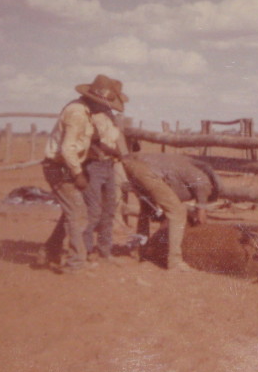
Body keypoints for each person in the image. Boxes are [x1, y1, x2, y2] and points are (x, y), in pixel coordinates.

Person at [40, 74, 126, 273]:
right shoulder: (77, 113)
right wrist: (78, 174)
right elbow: (68, 148)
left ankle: (49, 251)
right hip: (59, 167)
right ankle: (76, 263)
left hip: (69, 166)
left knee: (73, 212)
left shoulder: (87, 112)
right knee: (79, 213)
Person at [82, 80, 129, 263]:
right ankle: (84, 251)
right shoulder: (88, 115)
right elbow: (94, 142)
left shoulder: (109, 115)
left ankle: (105, 250)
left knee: (109, 209)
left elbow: (114, 140)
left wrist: (119, 155)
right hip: (93, 164)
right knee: (92, 210)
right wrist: (116, 152)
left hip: (108, 165)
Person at [120, 152, 192, 272]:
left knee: (145, 209)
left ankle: (140, 251)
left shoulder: (184, 164)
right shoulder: (199, 177)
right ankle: (175, 262)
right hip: (145, 170)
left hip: (132, 165)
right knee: (177, 211)